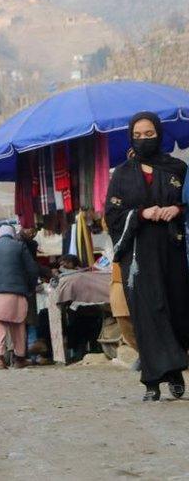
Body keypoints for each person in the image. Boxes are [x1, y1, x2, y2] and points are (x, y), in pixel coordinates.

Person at [106, 111, 189, 401]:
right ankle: (152, 380)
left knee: (177, 310)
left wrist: (177, 210)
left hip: (173, 251)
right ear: (131, 137)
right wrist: (141, 213)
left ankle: (176, 372)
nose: (143, 140)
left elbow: (188, 203)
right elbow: (112, 216)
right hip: (139, 255)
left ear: (159, 134)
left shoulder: (177, 168)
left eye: (149, 134)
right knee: (147, 313)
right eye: (137, 136)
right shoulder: (122, 175)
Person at [0, 225, 39, 370]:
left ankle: (0, 359)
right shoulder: (20, 246)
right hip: (16, 294)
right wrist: (29, 288)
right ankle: (19, 359)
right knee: (18, 327)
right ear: (12, 234)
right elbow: (32, 270)